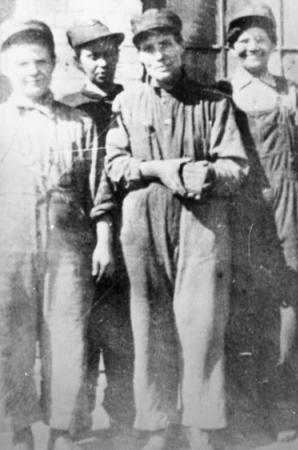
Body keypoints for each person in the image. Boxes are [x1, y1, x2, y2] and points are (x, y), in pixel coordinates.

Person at [104, 9, 248, 449]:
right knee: (150, 327)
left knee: (202, 324)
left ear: (181, 47)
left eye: (165, 44)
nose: (159, 54)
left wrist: (203, 172)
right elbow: (114, 166)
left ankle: (202, 424)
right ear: (140, 57)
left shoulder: (214, 103)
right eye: (148, 48)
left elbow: (236, 166)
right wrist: (159, 169)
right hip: (143, 227)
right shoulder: (125, 104)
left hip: (199, 225)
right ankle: (156, 426)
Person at [221, 2, 298, 441]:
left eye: (260, 38)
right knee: (244, 308)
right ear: (231, 48)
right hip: (241, 212)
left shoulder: (290, 93)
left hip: (289, 207)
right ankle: (247, 406)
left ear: (273, 44)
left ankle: (284, 406)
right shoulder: (222, 93)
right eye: (243, 40)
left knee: (288, 306)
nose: (252, 46)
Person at [0, 19, 100, 450]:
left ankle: (64, 431)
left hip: (67, 251)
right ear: (5, 67)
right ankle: (16, 430)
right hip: (9, 250)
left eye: (41, 62)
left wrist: (103, 241)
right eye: (23, 63)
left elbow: (97, 192)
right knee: (10, 340)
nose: (33, 71)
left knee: (67, 339)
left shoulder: (78, 124)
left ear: (55, 65)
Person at [61, 19, 135, 439]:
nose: (104, 63)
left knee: (123, 329)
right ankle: (78, 419)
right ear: (76, 61)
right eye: (93, 55)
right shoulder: (69, 108)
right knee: (84, 330)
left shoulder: (132, 101)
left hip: (128, 231)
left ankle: (124, 417)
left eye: (110, 53)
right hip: (84, 236)